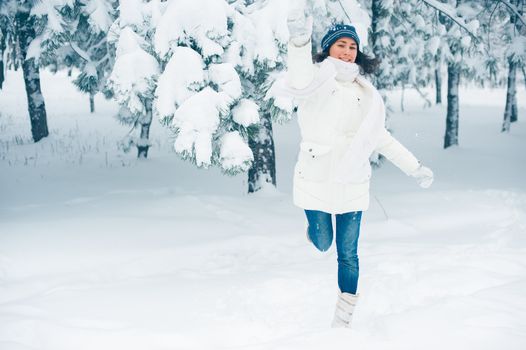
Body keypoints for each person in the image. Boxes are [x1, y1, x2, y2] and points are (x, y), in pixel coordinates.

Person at [283, 12, 434, 328]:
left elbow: (382, 138)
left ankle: (343, 318)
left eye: (352, 46)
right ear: (328, 49)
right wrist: (298, 42)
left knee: (348, 255)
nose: (348, 51)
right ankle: (315, 232)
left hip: (352, 184)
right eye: (341, 44)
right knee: (324, 242)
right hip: (316, 180)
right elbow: (296, 75)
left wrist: (414, 167)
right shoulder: (313, 80)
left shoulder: (367, 95)